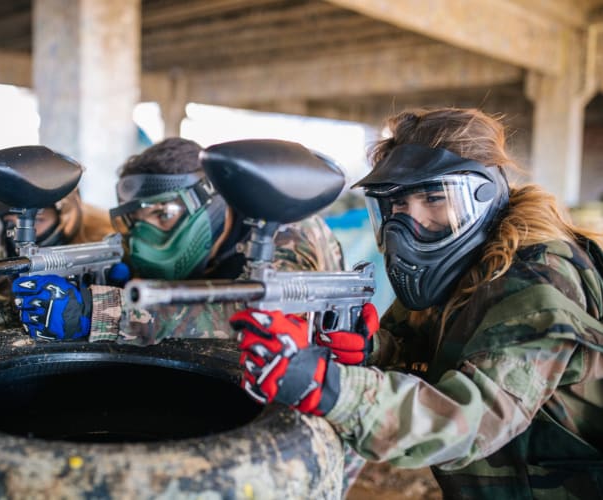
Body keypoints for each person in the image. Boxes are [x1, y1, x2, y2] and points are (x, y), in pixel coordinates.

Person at [229, 107, 603, 498]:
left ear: (485, 196)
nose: (411, 223)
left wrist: (326, 385)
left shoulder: (540, 279)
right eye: (397, 205)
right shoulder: (458, 263)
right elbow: (425, 353)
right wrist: (370, 349)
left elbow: (473, 417)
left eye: (433, 199)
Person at [11, 137, 348, 346]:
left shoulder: (282, 228)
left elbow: (259, 316)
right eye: (135, 222)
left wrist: (99, 309)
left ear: (212, 204)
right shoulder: (191, 246)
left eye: (163, 215)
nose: (144, 241)